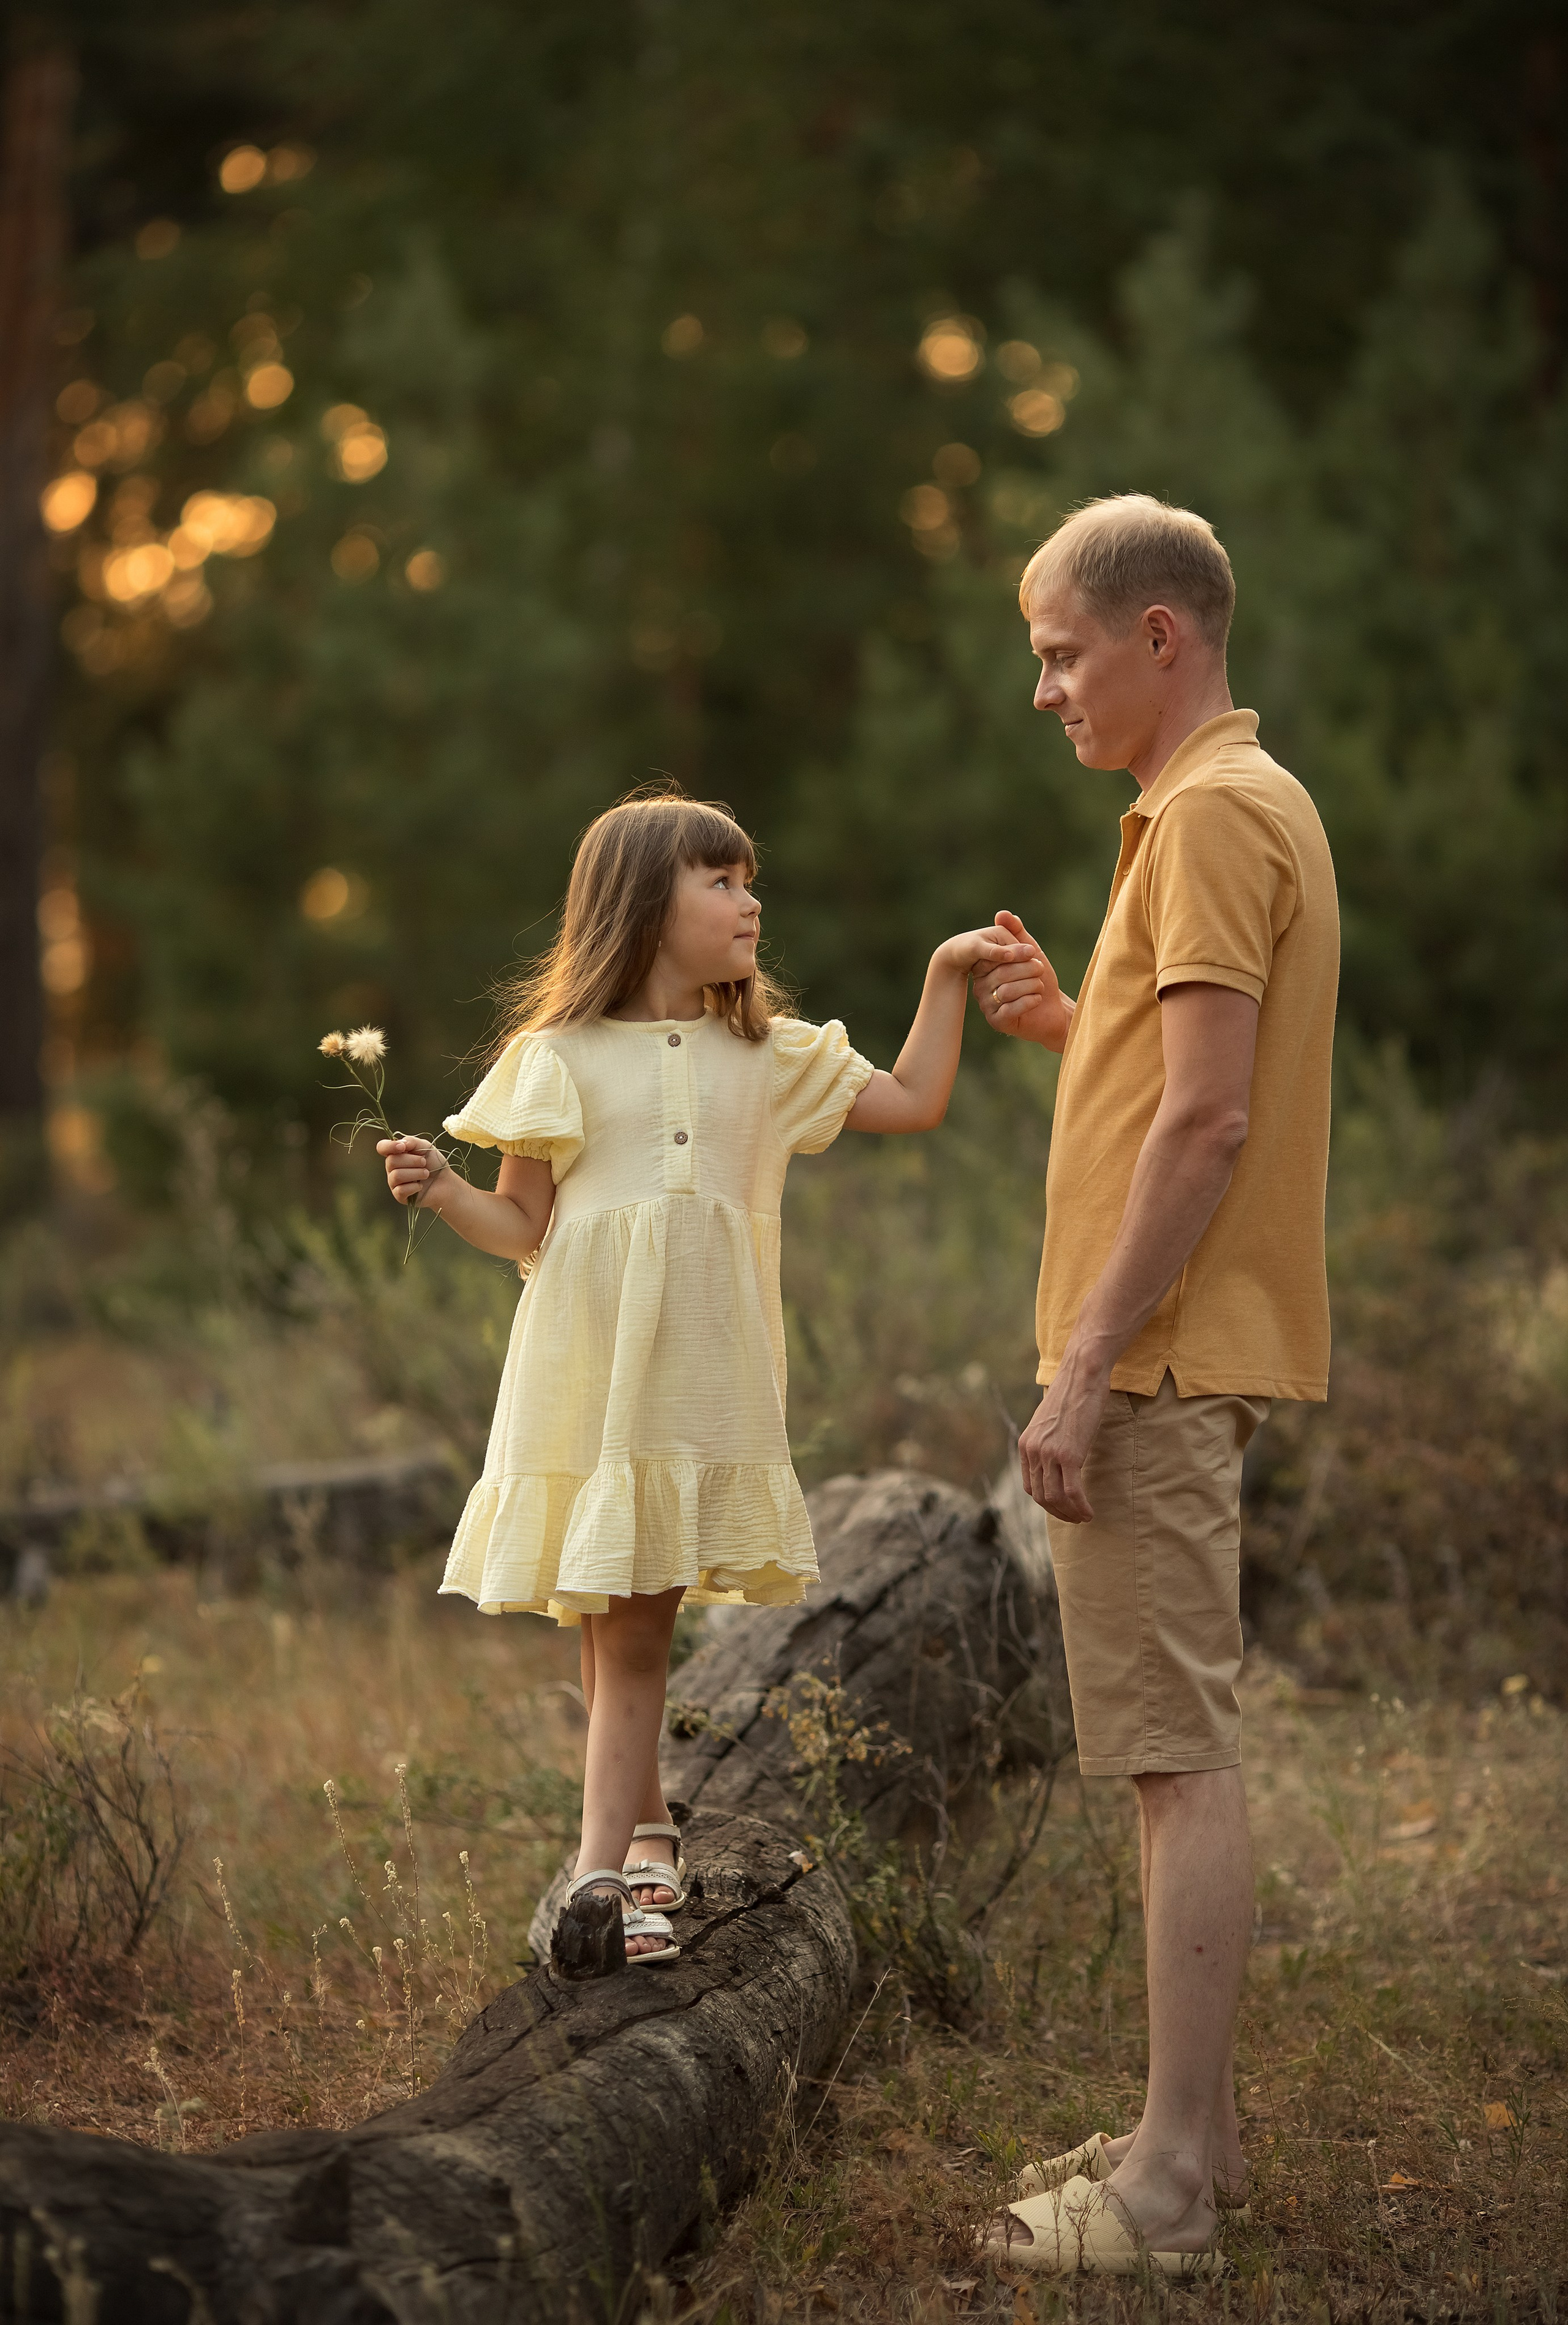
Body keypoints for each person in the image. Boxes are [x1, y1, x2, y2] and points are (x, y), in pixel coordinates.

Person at [378, 789, 1041, 1972]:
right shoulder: (556, 1057)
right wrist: (444, 1191)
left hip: (693, 1386)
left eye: (748, 880)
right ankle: (633, 1854)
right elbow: (518, 1223)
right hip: (586, 1373)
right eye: (722, 883)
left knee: (633, 1632)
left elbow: (914, 1099)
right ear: (645, 908)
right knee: (607, 1628)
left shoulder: (765, 1058)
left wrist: (943, 982)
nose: (751, 902)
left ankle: (610, 1873)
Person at [974, 496, 1339, 2278]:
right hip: (1181, 1348)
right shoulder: (1230, 808)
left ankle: (1176, 2186)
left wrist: (1085, 1365)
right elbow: (1172, 1072)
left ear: (1159, 638)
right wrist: (1072, 1024)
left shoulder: (1202, 818)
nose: (1044, 687)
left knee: (1176, 1757)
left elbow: (1210, 1118)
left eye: (1061, 651)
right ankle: (1179, 2132)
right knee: (1167, 1750)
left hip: (1161, 1358)